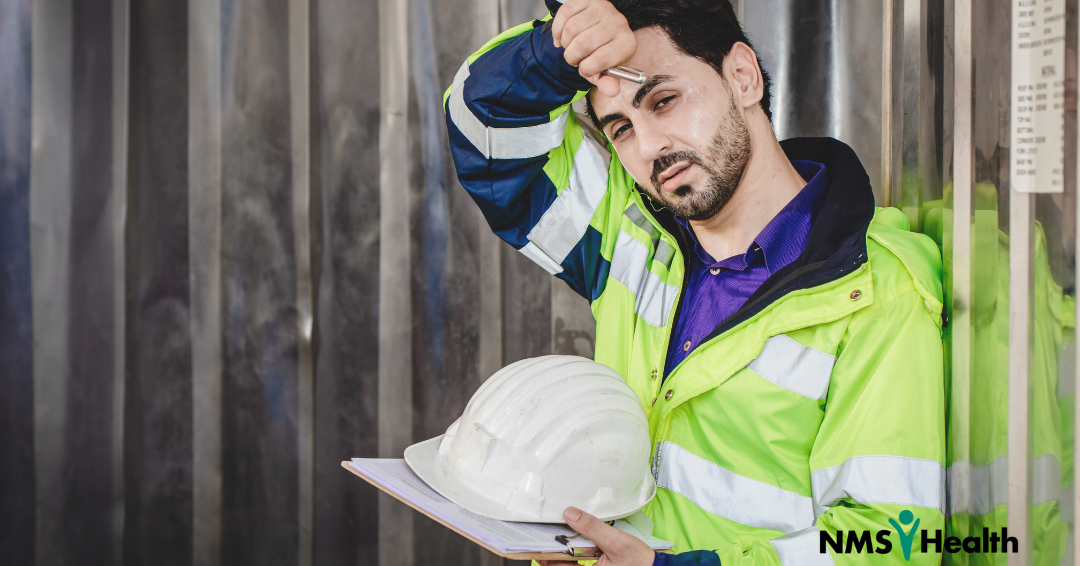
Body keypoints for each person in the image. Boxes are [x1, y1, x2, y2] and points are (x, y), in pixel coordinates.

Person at [444, 0, 946, 564]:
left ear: (743, 76)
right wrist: (561, 54)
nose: (650, 147)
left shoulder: (875, 294)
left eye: (664, 100)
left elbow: (888, 540)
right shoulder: (631, 237)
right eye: (621, 129)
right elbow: (483, 123)